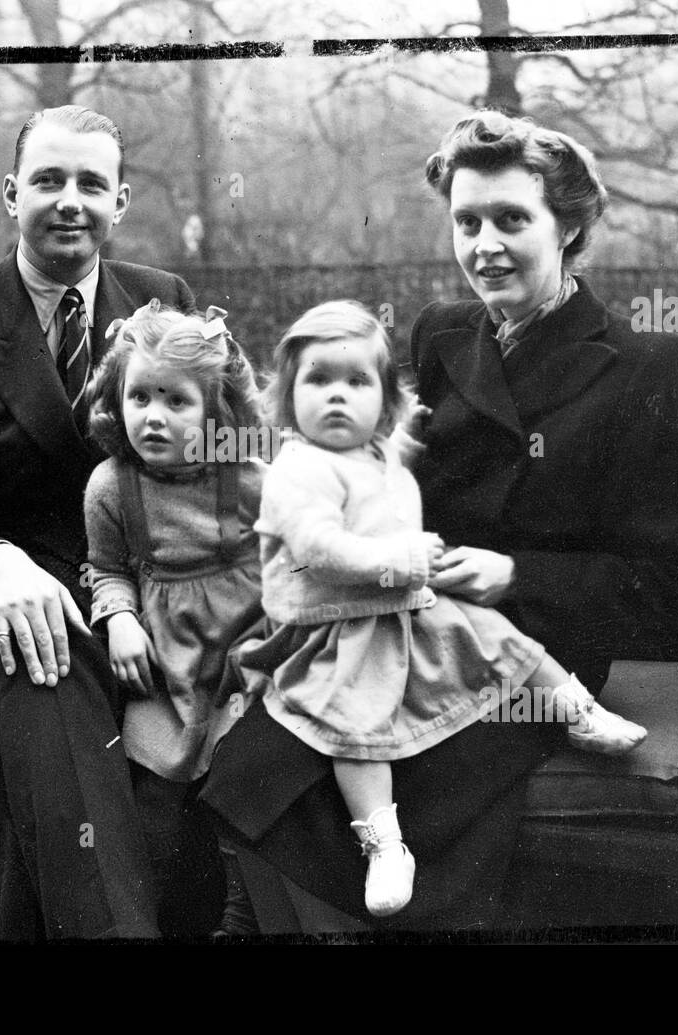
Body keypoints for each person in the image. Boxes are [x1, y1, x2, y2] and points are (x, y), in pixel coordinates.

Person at [201, 110, 678, 931]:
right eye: (467, 221)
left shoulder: (647, 364)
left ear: (570, 226)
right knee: (256, 763)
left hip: (531, 650)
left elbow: (664, 584)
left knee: (403, 813)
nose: (485, 245)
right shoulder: (442, 332)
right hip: (391, 618)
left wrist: (514, 573)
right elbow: (374, 471)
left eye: (513, 219)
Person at [0, 104, 196, 940]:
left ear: (119, 203)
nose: (70, 201)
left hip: (124, 594)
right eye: (49, 180)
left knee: (43, 732)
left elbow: (214, 457)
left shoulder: (162, 301)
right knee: (40, 666)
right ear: (12, 194)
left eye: (92, 183)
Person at [232, 300, 646, 918]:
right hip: (335, 630)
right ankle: (384, 843)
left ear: (383, 398)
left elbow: (392, 463)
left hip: (401, 607)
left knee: (499, 635)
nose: (337, 398)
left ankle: (578, 709)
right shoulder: (299, 471)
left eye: (357, 382)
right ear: (288, 398)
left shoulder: (373, 450)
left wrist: (408, 433)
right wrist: (401, 559)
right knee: (355, 726)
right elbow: (321, 549)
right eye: (318, 382)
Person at [81, 299, 267, 934]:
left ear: (216, 410)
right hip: (164, 662)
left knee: (244, 786)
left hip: (243, 656)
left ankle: (241, 920)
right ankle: (143, 920)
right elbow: (107, 570)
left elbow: (291, 558)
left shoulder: (246, 478)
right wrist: (119, 619)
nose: (153, 417)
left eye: (176, 401)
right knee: (153, 796)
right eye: (139, 398)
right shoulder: (111, 487)